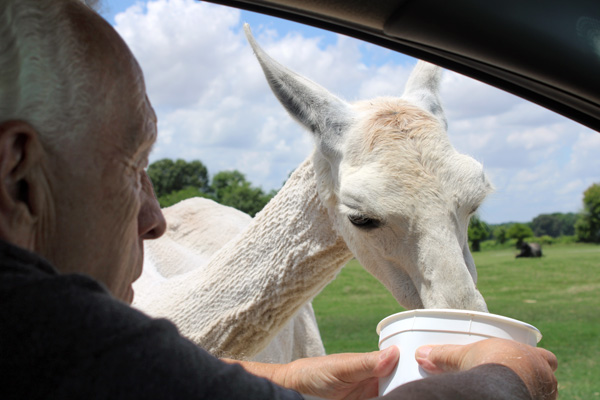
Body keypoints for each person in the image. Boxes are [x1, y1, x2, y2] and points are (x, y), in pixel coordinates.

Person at [0, 0, 557, 399]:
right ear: (16, 174)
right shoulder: (48, 335)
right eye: (133, 168)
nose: (156, 220)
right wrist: (506, 381)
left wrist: (290, 377)